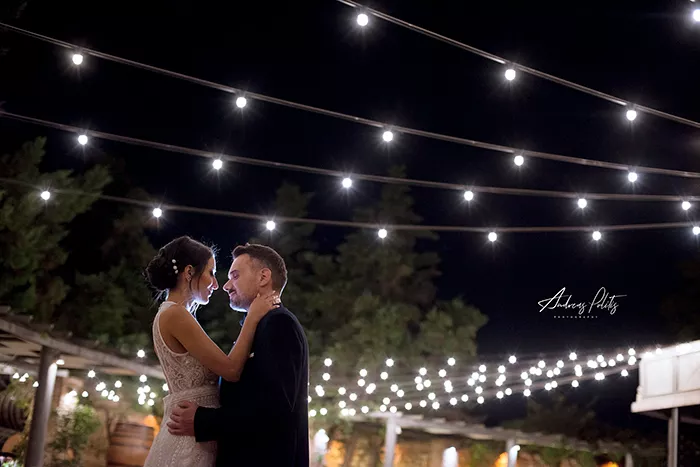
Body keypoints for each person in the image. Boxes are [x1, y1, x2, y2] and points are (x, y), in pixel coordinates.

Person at [167, 243, 310, 467]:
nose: (226, 286)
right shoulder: (262, 325)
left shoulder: (279, 324)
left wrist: (202, 421)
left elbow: (273, 411)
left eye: (235, 276)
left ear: (263, 277)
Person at [143, 236, 280, 467]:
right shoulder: (175, 315)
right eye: (211, 273)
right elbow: (231, 370)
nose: (216, 284)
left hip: (196, 435)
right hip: (189, 440)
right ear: (189, 272)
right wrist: (252, 317)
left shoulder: (172, 314)